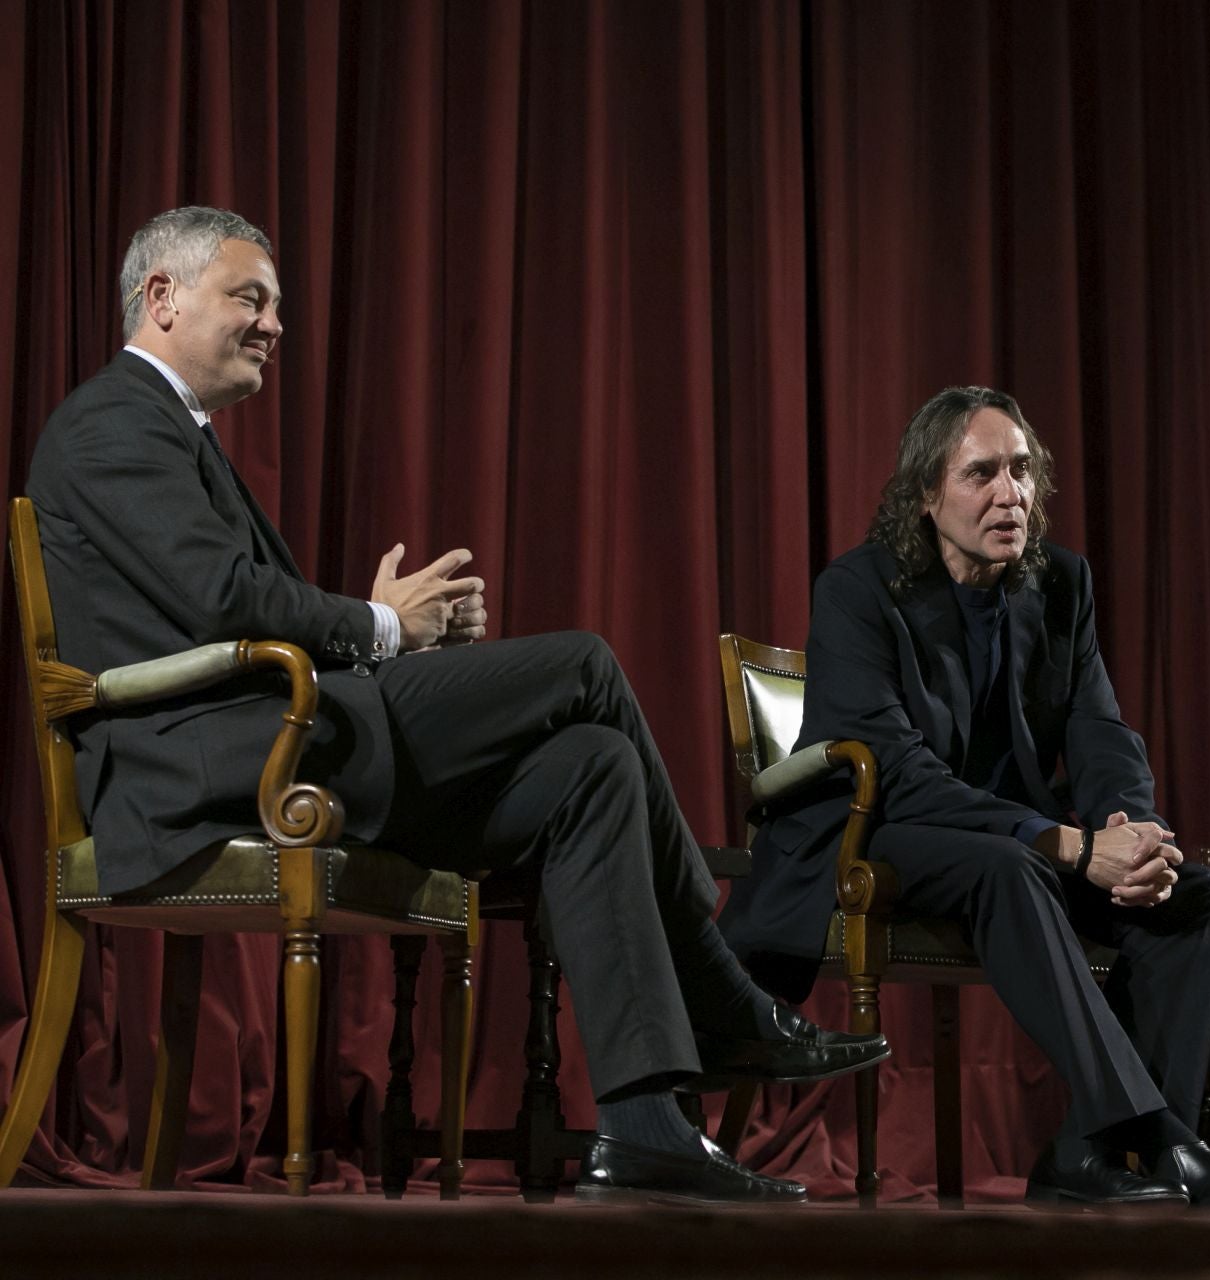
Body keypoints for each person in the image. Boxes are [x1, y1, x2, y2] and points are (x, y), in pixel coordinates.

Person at [26, 206, 887, 1205]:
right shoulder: (113, 421)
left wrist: (387, 629)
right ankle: (724, 982)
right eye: (249, 298)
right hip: (209, 761)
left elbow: (221, 609)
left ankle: (648, 1122)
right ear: (161, 298)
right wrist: (382, 625)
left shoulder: (173, 431)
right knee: (585, 664)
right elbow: (223, 598)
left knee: (594, 768)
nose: (274, 325)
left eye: (278, 307)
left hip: (288, 734)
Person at [721, 386, 1210, 1211]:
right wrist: (1068, 845)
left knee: (1201, 901)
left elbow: (1099, 732)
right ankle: (1164, 1144)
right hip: (872, 830)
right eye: (980, 474)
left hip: (1002, 835)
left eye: (1021, 471)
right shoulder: (857, 589)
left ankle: (1091, 1154)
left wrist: (1134, 833)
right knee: (1008, 868)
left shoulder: (1060, 586)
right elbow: (895, 769)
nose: (1009, 494)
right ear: (925, 494)